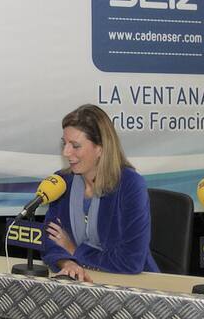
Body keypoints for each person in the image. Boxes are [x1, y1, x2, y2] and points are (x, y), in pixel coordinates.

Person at [42, 104, 158, 280]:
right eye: (64, 143)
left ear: (100, 148)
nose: (66, 152)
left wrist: (74, 251)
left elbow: (130, 261)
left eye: (75, 145)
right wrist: (67, 263)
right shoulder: (61, 182)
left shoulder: (131, 185)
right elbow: (50, 240)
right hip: (80, 283)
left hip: (133, 285)